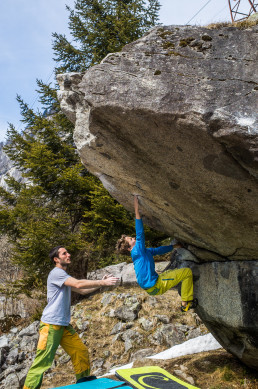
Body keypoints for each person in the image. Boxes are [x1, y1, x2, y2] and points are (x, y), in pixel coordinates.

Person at [23, 246, 119, 389]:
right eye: (64, 253)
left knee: (80, 352)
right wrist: (102, 282)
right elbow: (78, 283)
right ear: (56, 259)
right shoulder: (56, 273)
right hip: (50, 325)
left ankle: (84, 384)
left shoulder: (63, 276)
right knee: (42, 362)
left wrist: (100, 284)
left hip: (63, 325)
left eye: (67, 252)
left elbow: (81, 290)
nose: (69, 254)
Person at [116, 196, 197, 312]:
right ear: (129, 248)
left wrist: (174, 246)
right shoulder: (137, 250)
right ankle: (185, 304)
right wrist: (136, 210)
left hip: (153, 285)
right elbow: (140, 233)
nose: (133, 238)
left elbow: (157, 250)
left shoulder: (142, 253)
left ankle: (183, 291)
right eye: (130, 239)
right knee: (187, 272)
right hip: (156, 285)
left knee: (170, 272)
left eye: (131, 237)